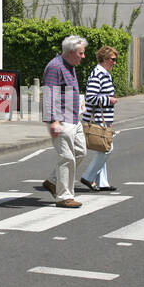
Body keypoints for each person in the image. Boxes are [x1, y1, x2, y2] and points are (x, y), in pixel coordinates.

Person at [41, 35, 87, 208]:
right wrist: (53, 121)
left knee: (80, 152)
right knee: (67, 157)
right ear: (70, 52)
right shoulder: (55, 67)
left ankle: (53, 181)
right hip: (62, 120)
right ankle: (64, 197)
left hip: (74, 118)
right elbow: (49, 94)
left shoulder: (70, 65)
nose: (84, 57)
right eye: (81, 53)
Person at [79, 46, 119, 193]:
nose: (115, 63)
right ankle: (88, 177)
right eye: (113, 59)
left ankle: (102, 182)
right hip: (96, 118)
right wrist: (109, 100)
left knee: (102, 149)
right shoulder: (98, 75)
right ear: (104, 59)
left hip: (104, 118)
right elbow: (90, 97)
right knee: (107, 148)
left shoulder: (104, 74)